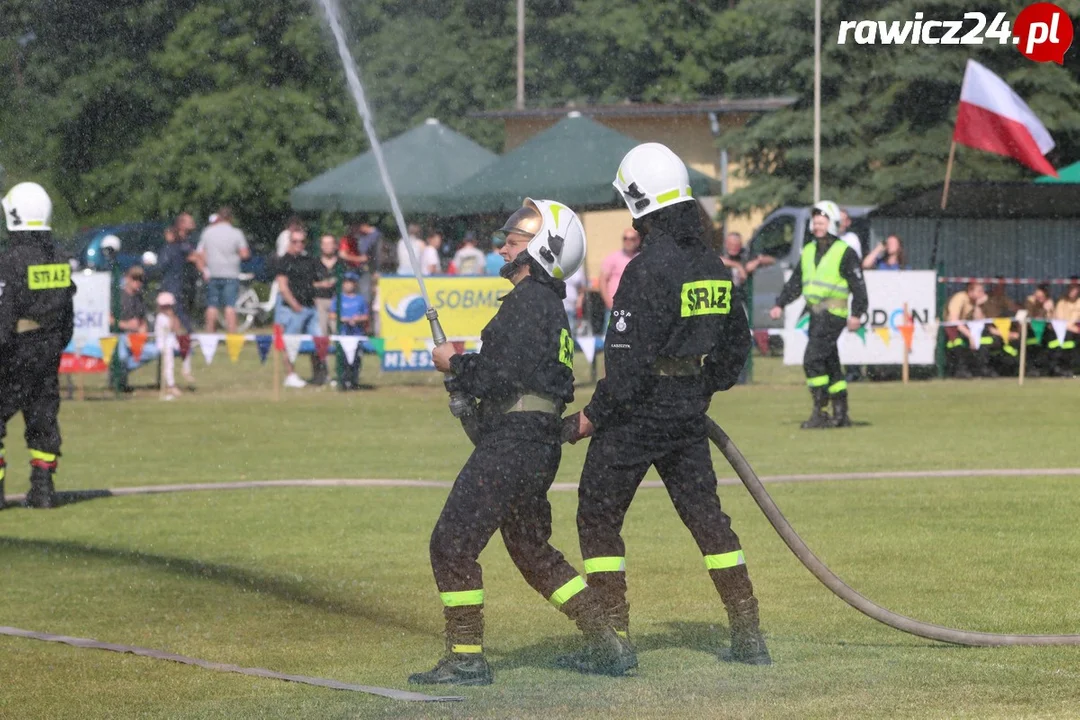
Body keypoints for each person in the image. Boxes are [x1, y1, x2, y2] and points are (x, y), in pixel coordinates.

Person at [563, 143, 769, 670]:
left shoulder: (646, 270)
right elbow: (735, 349)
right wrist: (700, 391)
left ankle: (614, 641)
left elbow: (626, 370)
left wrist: (591, 418)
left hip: (637, 415)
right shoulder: (712, 264)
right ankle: (749, 635)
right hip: (684, 410)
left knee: (598, 516)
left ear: (638, 202)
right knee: (707, 520)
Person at [414, 198, 633, 686]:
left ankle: (466, 657)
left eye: (513, 243)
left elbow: (498, 375)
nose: (502, 247)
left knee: (451, 546)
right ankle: (606, 642)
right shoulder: (546, 306)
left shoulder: (528, 302)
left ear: (540, 252)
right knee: (533, 552)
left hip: (513, 446)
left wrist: (456, 363)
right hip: (534, 446)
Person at [0, 182, 76, 509]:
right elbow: (67, 312)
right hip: (47, 351)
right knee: (43, 420)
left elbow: (4, 312)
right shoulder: (59, 257)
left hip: (13, 351)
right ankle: (43, 490)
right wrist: (55, 345)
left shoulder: (9, 260)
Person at [769, 200, 868, 428]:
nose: (817, 227)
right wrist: (780, 304)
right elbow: (796, 283)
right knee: (830, 363)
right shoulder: (809, 250)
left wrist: (857, 314)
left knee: (812, 360)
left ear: (832, 224)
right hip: (815, 315)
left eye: (821, 222)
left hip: (834, 314)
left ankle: (820, 411)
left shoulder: (845, 252)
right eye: (815, 223)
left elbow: (859, 287)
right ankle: (841, 413)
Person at [273, 231, 321, 388]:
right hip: (293, 309)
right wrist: (295, 305)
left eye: (302, 241)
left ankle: (318, 375)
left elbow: (314, 283)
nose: (299, 244)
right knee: (290, 343)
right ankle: (290, 375)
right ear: (289, 242)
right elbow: (283, 286)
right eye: (295, 241)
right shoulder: (283, 261)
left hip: (311, 307)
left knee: (318, 342)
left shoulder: (309, 260)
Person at [196, 207, 250, 334]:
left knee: (212, 306)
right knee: (230, 306)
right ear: (231, 218)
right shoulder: (236, 233)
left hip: (212, 273)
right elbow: (244, 254)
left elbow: (201, 253)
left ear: (218, 217)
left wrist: (204, 268)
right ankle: (232, 336)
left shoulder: (208, 232)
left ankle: (210, 335)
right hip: (231, 273)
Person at [328, 272, 369, 390]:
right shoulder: (338, 298)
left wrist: (357, 319)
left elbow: (366, 316)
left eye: (351, 282)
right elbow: (332, 315)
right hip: (343, 334)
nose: (348, 285)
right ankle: (343, 381)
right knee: (343, 359)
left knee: (356, 359)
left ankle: (354, 380)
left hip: (357, 334)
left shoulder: (360, 299)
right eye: (346, 282)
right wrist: (343, 319)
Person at [944, 281, 990, 379]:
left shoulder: (975, 302)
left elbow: (980, 320)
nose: (983, 294)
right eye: (980, 291)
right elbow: (954, 320)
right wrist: (970, 336)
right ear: (970, 290)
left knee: (986, 337)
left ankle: (981, 369)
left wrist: (978, 305)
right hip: (952, 329)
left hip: (965, 328)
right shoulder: (960, 298)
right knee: (960, 342)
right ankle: (960, 370)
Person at [311, 234, 339, 386]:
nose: (328, 246)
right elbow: (309, 282)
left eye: (331, 243)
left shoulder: (340, 263)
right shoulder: (315, 263)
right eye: (325, 243)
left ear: (335, 245)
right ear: (321, 246)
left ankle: (338, 372)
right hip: (320, 302)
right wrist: (321, 285)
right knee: (322, 338)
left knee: (338, 337)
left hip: (337, 303)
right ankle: (324, 373)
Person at [599, 228, 640, 313]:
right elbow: (602, 280)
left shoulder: (641, 258)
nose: (628, 241)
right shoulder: (613, 258)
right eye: (625, 238)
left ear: (637, 240)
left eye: (632, 239)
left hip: (635, 306)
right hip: (615, 305)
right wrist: (608, 302)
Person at [339, 221, 381, 303]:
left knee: (364, 294)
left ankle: (364, 310)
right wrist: (359, 259)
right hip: (349, 271)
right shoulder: (346, 240)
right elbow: (342, 255)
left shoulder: (360, 239)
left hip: (361, 270)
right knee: (350, 293)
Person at [1023, 283, 1056, 376]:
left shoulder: (1049, 303)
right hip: (1031, 332)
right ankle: (1031, 369)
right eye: (1039, 296)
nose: (1040, 299)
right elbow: (1031, 321)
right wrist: (1042, 311)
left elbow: (1053, 323)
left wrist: (1049, 311)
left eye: (1043, 296)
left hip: (1045, 332)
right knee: (1033, 347)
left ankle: (1046, 369)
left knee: (1049, 345)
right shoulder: (1030, 301)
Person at [1049, 279, 1080, 378]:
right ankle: (1059, 368)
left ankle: (1069, 368)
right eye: (1070, 288)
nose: (1072, 290)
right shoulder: (1062, 302)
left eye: (1074, 288)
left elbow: (1076, 319)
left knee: (1069, 342)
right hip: (1062, 332)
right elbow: (1058, 320)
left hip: (1075, 334)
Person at [154, 292, 181, 400]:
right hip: (164, 345)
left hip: (171, 343)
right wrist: (171, 317)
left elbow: (177, 328)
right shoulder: (161, 317)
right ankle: (170, 385)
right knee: (168, 365)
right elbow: (171, 327)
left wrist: (172, 316)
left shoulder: (170, 317)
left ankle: (185, 372)